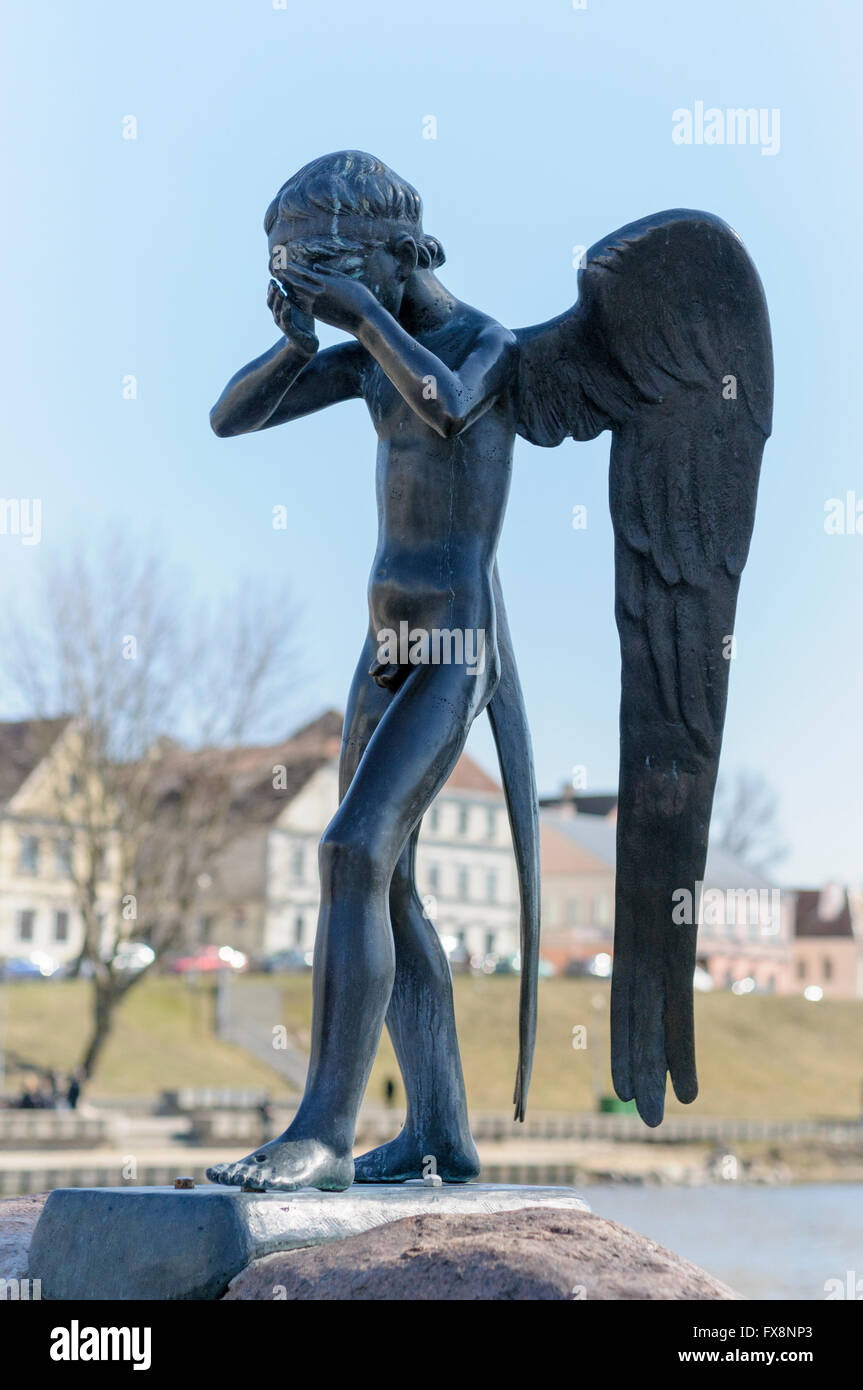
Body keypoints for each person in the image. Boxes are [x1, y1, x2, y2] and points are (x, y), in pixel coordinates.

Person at [207, 151, 536, 1192]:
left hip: (452, 642)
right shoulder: (366, 352)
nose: (319, 291)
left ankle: (322, 1131)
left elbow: (443, 403)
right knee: (386, 883)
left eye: (320, 271)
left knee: (349, 848)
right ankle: (440, 1131)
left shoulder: (481, 342)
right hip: (383, 639)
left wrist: (362, 318)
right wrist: (298, 336)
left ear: (389, 253)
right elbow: (232, 416)